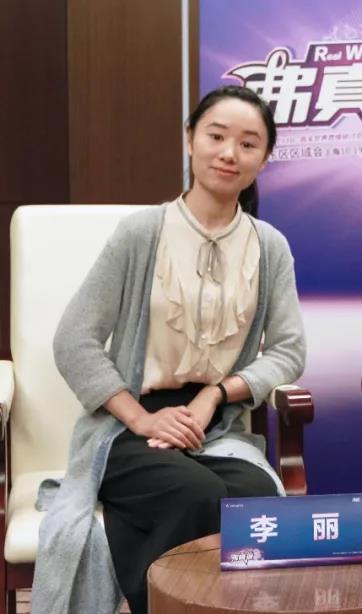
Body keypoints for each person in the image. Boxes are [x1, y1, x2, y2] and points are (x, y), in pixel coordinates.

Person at [32, 85, 306, 614]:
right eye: (216, 136)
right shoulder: (140, 233)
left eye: (248, 144)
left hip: (215, 429)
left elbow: (289, 351)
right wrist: (141, 419)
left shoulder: (270, 246)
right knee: (197, 495)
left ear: (264, 158)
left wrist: (214, 396)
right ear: (189, 139)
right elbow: (74, 339)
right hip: (126, 429)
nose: (229, 153)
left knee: (255, 495)